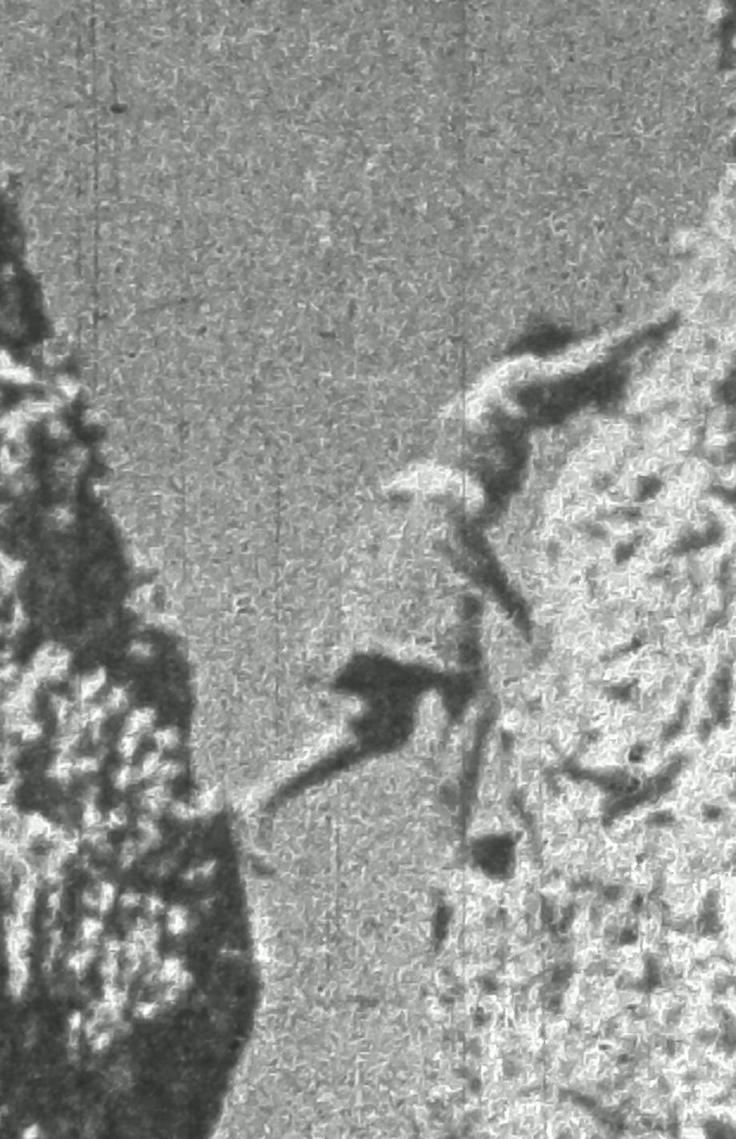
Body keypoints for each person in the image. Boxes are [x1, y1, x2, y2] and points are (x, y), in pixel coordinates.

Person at [242, 304, 680, 857]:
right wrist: (657, 324)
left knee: (386, 723)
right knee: (468, 699)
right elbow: (581, 361)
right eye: (565, 403)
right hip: (425, 535)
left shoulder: (487, 420)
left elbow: (467, 533)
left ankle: (260, 797)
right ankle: (455, 842)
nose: (558, 416)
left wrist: (514, 604)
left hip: (410, 535)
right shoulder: (514, 376)